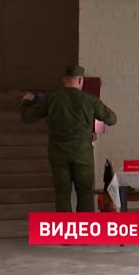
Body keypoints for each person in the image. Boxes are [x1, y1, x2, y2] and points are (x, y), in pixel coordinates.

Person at [21, 65, 117, 212]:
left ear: (64, 80)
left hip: (58, 154)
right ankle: (83, 232)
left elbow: (27, 117)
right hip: (82, 154)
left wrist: (26, 101)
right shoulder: (90, 100)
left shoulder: (51, 99)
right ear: (80, 80)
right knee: (85, 194)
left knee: (62, 195)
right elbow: (112, 119)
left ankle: (64, 231)